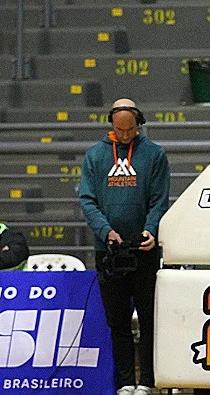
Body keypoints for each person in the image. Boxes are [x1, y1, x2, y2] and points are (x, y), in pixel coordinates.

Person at [79, 98, 170, 395]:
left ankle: (147, 381)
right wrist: (106, 232)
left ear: (139, 124)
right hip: (109, 251)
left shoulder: (155, 154)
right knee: (117, 322)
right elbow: (88, 200)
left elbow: (159, 199)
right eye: (120, 130)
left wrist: (151, 228)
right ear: (111, 125)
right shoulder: (94, 156)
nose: (125, 135)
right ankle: (124, 382)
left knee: (148, 319)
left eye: (130, 130)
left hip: (144, 251)